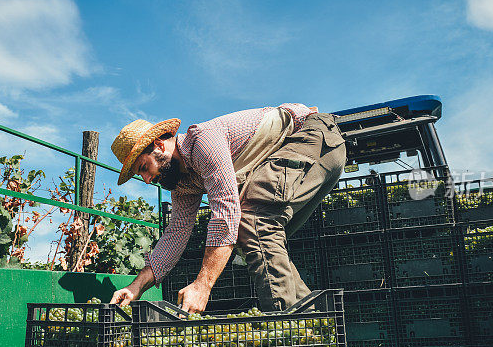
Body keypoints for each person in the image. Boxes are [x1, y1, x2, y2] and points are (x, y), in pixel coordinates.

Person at [109, 103, 346, 312]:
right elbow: (176, 234)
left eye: (143, 167)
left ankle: (290, 328)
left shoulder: (203, 141)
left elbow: (226, 212)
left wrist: (202, 285)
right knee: (256, 236)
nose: (147, 180)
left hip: (315, 138)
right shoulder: (183, 184)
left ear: (159, 145)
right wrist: (136, 286)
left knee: (252, 221)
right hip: (313, 150)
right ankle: (311, 321)